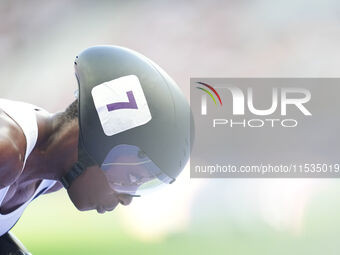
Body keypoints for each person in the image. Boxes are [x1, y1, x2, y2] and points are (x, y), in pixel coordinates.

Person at [0, 45, 193, 254]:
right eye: (132, 177)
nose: (126, 199)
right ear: (97, 142)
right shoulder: (7, 152)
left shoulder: (49, 176)